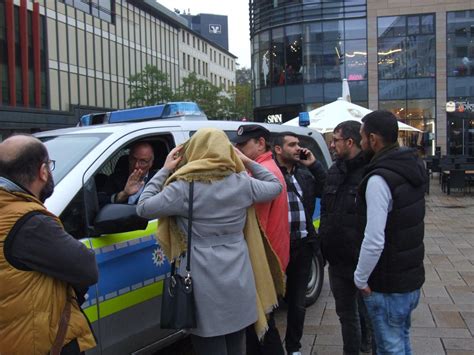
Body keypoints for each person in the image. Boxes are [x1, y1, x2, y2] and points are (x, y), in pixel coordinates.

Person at [137, 128, 285, 355]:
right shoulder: (242, 183)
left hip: (202, 276)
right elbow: (275, 185)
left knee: (209, 343)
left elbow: (144, 207)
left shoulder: (183, 187)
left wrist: (165, 170)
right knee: (237, 343)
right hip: (239, 274)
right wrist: (246, 161)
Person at [0, 135, 98, 355]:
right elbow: (87, 269)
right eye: (51, 166)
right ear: (43, 171)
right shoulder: (31, 223)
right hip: (36, 343)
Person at [354, 110, 427, 354]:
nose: (361, 142)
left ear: (374, 139)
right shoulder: (412, 165)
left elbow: (374, 239)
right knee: (402, 341)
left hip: (388, 284)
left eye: (362, 137)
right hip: (409, 280)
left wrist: (360, 278)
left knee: (391, 348)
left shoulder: (379, 179)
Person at [233, 124, 289, 355]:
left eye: (243, 144)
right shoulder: (265, 169)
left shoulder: (262, 172)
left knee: (263, 327)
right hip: (270, 258)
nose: (238, 149)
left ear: (261, 143)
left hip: (263, 261)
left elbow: (256, 226)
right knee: (259, 327)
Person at [319, 121, 372, 355]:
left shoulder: (371, 172)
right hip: (337, 258)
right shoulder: (334, 170)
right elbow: (327, 210)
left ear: (350, 142)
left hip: (362, 259)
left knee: (367, 312)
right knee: (346, 315)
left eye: (335, 140)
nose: (331, 145)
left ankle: (366, 347)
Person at [273, 132, 327, 355]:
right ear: (278, 149)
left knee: (297, 303)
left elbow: (326, 189)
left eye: (299, 144)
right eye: (292, 144)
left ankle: (294, 347)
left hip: (303, 245)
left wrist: (314, 165)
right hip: (277, 246)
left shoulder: (304, 174)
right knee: (270, 301)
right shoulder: (269, 173)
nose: (298, 148)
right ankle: (269, 346)